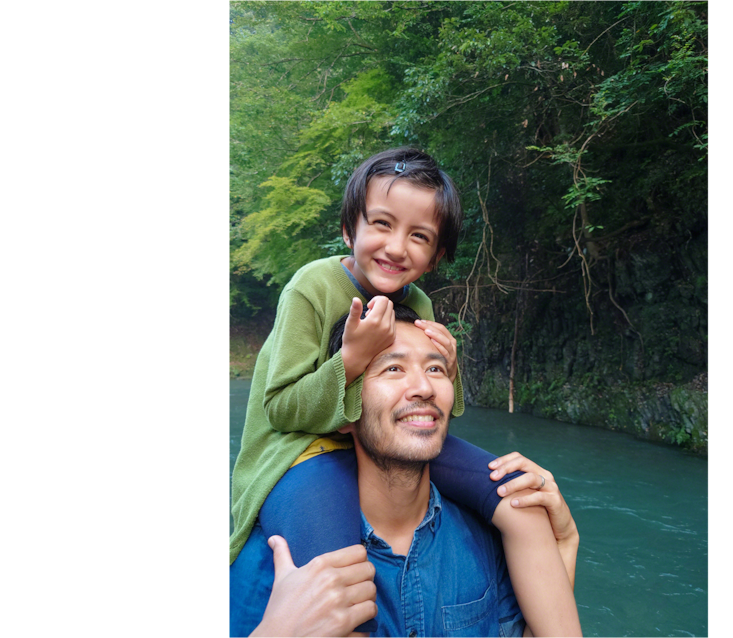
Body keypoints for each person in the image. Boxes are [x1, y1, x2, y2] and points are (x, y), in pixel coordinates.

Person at [228, 148, 579, 635]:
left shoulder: (417, 301)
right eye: (382, 224)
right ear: (350, 228)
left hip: (376, 431)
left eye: (419, 236)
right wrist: (351, 360)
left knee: (520, 504)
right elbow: (281, 408)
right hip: (297, 450)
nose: (396, 247)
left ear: (435, 256)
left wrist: (448, 370)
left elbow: (427, 408)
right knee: (342, 585)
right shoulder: (312, 286)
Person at [228, 305, 581, 637]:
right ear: (341, 412)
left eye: (435, 369)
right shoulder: (281, 565)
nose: (424, 388)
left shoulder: (494, 537)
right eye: (393, 369)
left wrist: (564, 546)